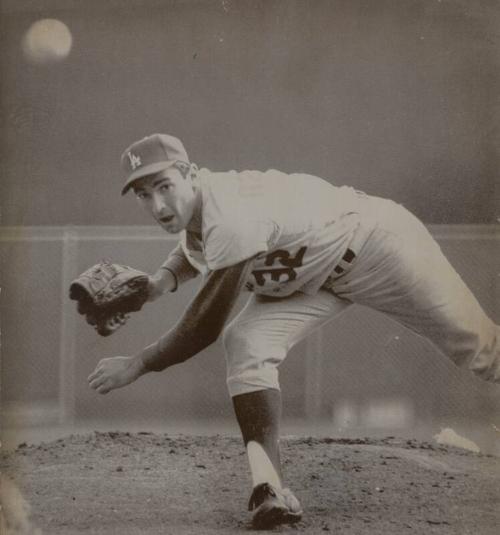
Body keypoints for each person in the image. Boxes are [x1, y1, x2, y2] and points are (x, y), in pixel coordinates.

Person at [87, 133, 500, 529]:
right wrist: (155, 286)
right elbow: (191, 249)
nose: (158, 203)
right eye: (144, 194)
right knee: (247, 341)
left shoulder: (230, 214)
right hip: (310, 277)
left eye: (164, 186)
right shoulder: (198, 212)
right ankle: (269, 487)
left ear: (190, 172)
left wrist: (137, 364)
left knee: (480, 348)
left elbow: (203, 327)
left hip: (377, 245)